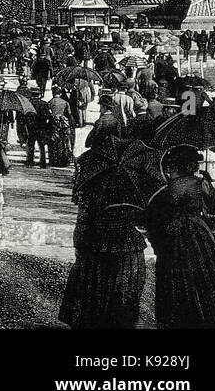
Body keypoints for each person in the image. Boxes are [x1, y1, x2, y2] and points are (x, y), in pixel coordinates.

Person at [145, 146, 215, 328]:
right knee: (205, 272)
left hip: (173, 233)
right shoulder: (200, 183)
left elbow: (154, 216)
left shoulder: (167, 188)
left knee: (174, 273)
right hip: (198, 230)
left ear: (175, 167)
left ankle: (176, 317)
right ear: (190, 165)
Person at [59, 141, 148, 329]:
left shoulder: (91, 189)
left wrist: (79, 245)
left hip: (98, 244)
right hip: (127, 246)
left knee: (96, 289)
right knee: (124, 291)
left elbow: (83, 222)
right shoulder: (135, 187)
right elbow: (144, 219)